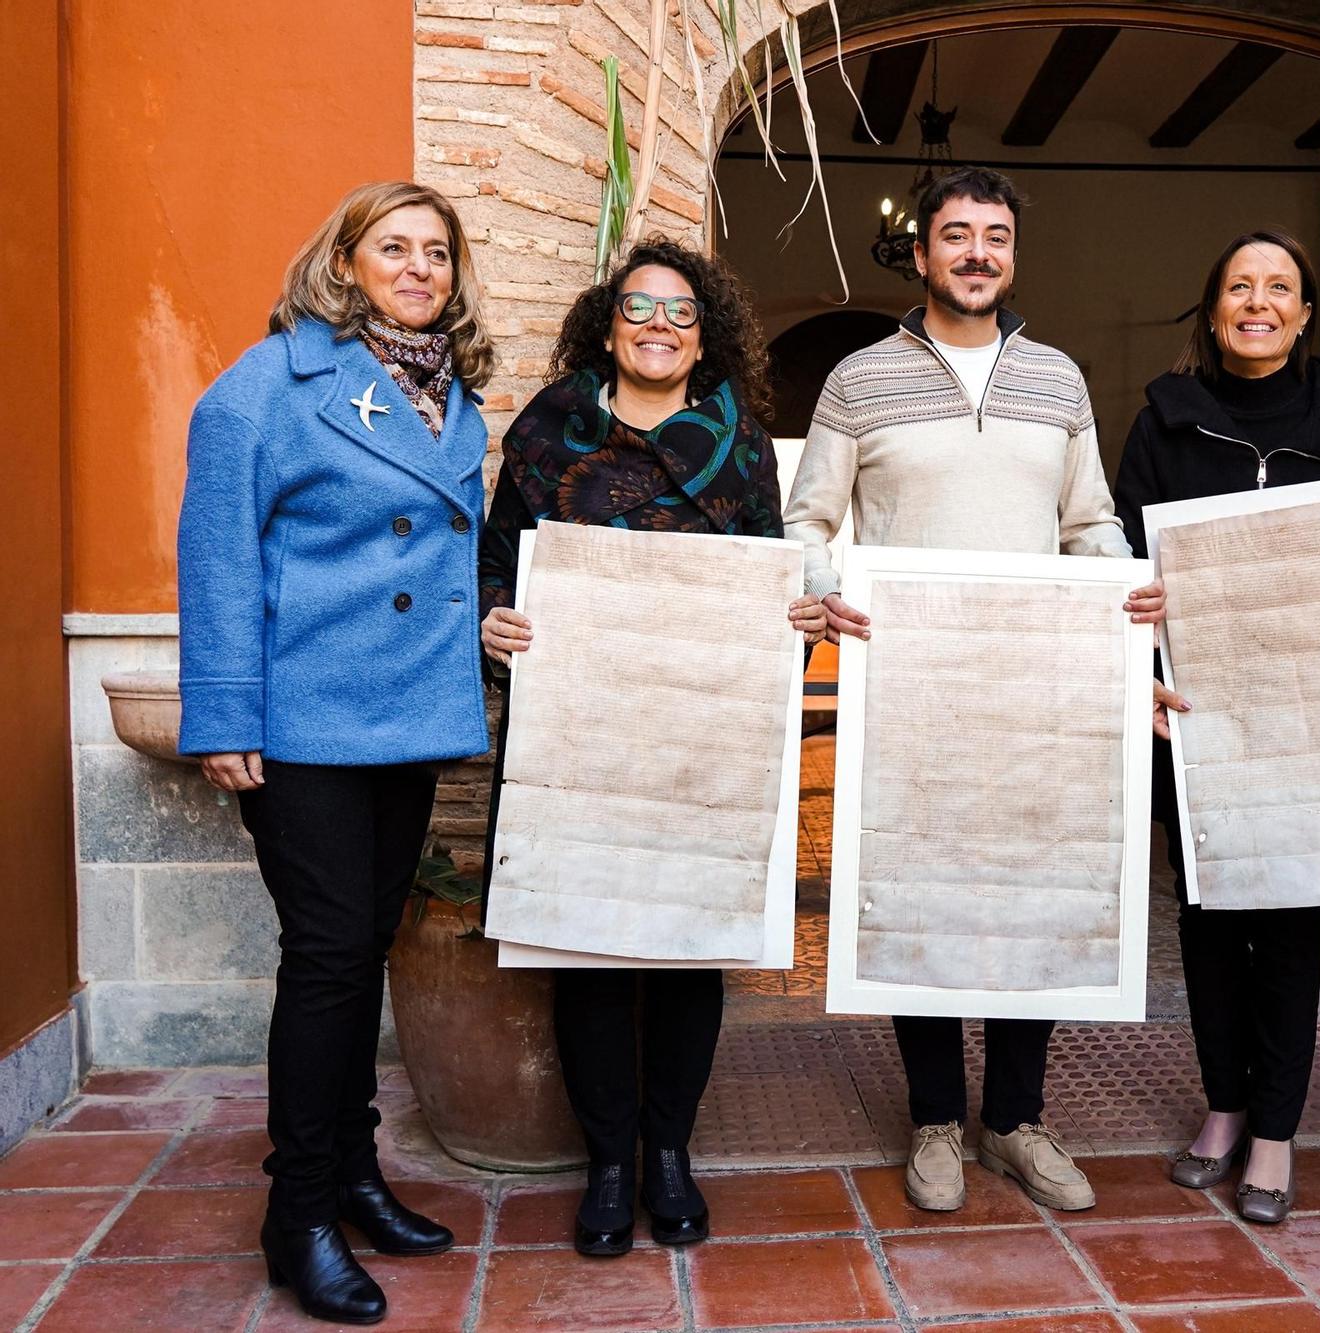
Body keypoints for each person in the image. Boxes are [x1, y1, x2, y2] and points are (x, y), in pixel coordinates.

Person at [786, 166, 1165, 1215]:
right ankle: (936, 1122)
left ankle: (1016, 1120)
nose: (976, 253)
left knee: (1031, 891)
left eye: (994, 236)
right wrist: (825, 590)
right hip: (910, 685)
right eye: (955, 235)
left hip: (1038, 686)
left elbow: (1089, 524)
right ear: (921, 254)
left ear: (1012, 255)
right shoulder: (859, 378)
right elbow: (807, 519)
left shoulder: (1058, 379)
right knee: (920, 891)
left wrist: (1125, 602)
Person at [177, 180, 494, 1324]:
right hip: (305, 718)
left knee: (362, 948)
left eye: (437, 253)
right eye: (393, 248)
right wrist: (223, 714)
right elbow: (215, 550)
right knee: (324, 955)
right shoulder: (268, 385)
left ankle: (355, 1174)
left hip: (401, 717)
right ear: (344, 261)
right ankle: (298, 1209)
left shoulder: (453, 396)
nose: (418, 268)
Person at [477, 238, 827, 1255]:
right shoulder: (547, 431)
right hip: (575, 727)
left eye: (681, 312)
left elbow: (770, 569)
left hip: (697, 734)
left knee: (686, 951)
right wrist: (493, 619)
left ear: (704, 336)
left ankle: (668, 1154)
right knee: (584, 949)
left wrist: (794, 616)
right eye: (639, 307)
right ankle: (608, 1164)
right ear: (608, 323)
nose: (659, 326)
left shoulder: (740, 444)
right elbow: (497, 559)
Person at [1112, 229, 1320, 1223]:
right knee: (1207, 918)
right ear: (1213, 312)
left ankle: (1275, 1132)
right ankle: (1224, 1104)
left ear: (1302, 315)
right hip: (1196, 711)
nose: (1257, 302)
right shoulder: (1163, 421)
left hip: (1308, 713)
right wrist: (1137, 631)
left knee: (1291, 922)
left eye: (1278, 288)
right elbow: (1121, 557)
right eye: (1239, 287)